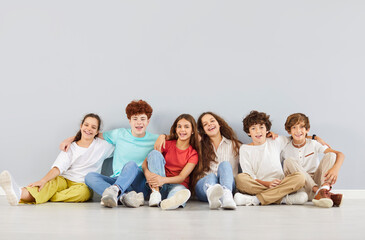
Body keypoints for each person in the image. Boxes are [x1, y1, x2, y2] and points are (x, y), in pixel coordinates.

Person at [59, 100, 161, 208]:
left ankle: (116, 191)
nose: (139, 122)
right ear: (129, 121)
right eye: (135, 119)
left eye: (142, 119)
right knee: (89, 177)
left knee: (131, 164)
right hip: (117, 179)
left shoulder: (155, 139)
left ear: (148, 121)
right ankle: (124, 197)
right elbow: (93, 134)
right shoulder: (119, 134)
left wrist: (163, 136)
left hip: (139, 181)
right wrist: (71, 139)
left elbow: (174, 138)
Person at [0, 113, 114, 205]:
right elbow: (59, 166)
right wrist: (43, 180)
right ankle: (18, 193)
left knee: (84, 193)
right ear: (81, 126)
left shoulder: (102, 146)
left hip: (82, 185)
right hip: (65, 179)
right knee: (48, 184)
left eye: (93, 127)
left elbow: (122, 145)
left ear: (97, 131)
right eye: (86, 125)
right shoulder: (71, 146)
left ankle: (45, 195)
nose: (89, 129)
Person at [234, 110, 308, 206]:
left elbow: (297, 137)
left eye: (261, 127)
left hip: (280, 183)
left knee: (300, 177)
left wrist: (315, 138)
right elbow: (249, 174)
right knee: (240, 179)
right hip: (259, 184)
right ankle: (282, 199)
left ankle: (256, 200)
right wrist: (267, 184)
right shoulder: (245, 149)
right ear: (248, 132)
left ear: (267, 129)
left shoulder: (276, 141)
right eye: (253, 128)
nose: (258, 131)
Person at [281, 113, 345, 208]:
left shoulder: (313, 143)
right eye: (294, 127)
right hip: (299, 187)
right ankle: (322, 193)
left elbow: (339, 154)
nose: (298, 130)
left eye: (302, 127)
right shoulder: (285, 148)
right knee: (288, 161)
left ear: (307, 130)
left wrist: (335, 169)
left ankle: (324, 189)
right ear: (289, 131)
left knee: (331, 155)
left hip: (316, 181)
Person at [142, 114, 200, 210]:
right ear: (176, 129)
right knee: (154, 153)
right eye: (179, 126)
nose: (182, 130)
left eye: (186, 127)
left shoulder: (193, 154)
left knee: (179, 191)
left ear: (193, 131)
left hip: (177, 185)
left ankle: (170, 201)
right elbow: (146, 161)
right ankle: (155, 194)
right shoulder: (167, 144)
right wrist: (147, 174)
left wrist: (163, 179)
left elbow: (181, 178)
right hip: (160, 186)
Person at [190, 112, 241, 210]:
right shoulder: (199, 146)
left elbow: (253, 148)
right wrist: (164, 136)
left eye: (212, 121)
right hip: (204, 187)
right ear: (203, 130)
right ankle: (212, 194)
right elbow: (180, 139)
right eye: (205, 124)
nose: (209, 124)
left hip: (228, 186)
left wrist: (267, 136)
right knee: (211, 176)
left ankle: (226, 196)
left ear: (219, 124)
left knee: (225, 164)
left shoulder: (235, 145)